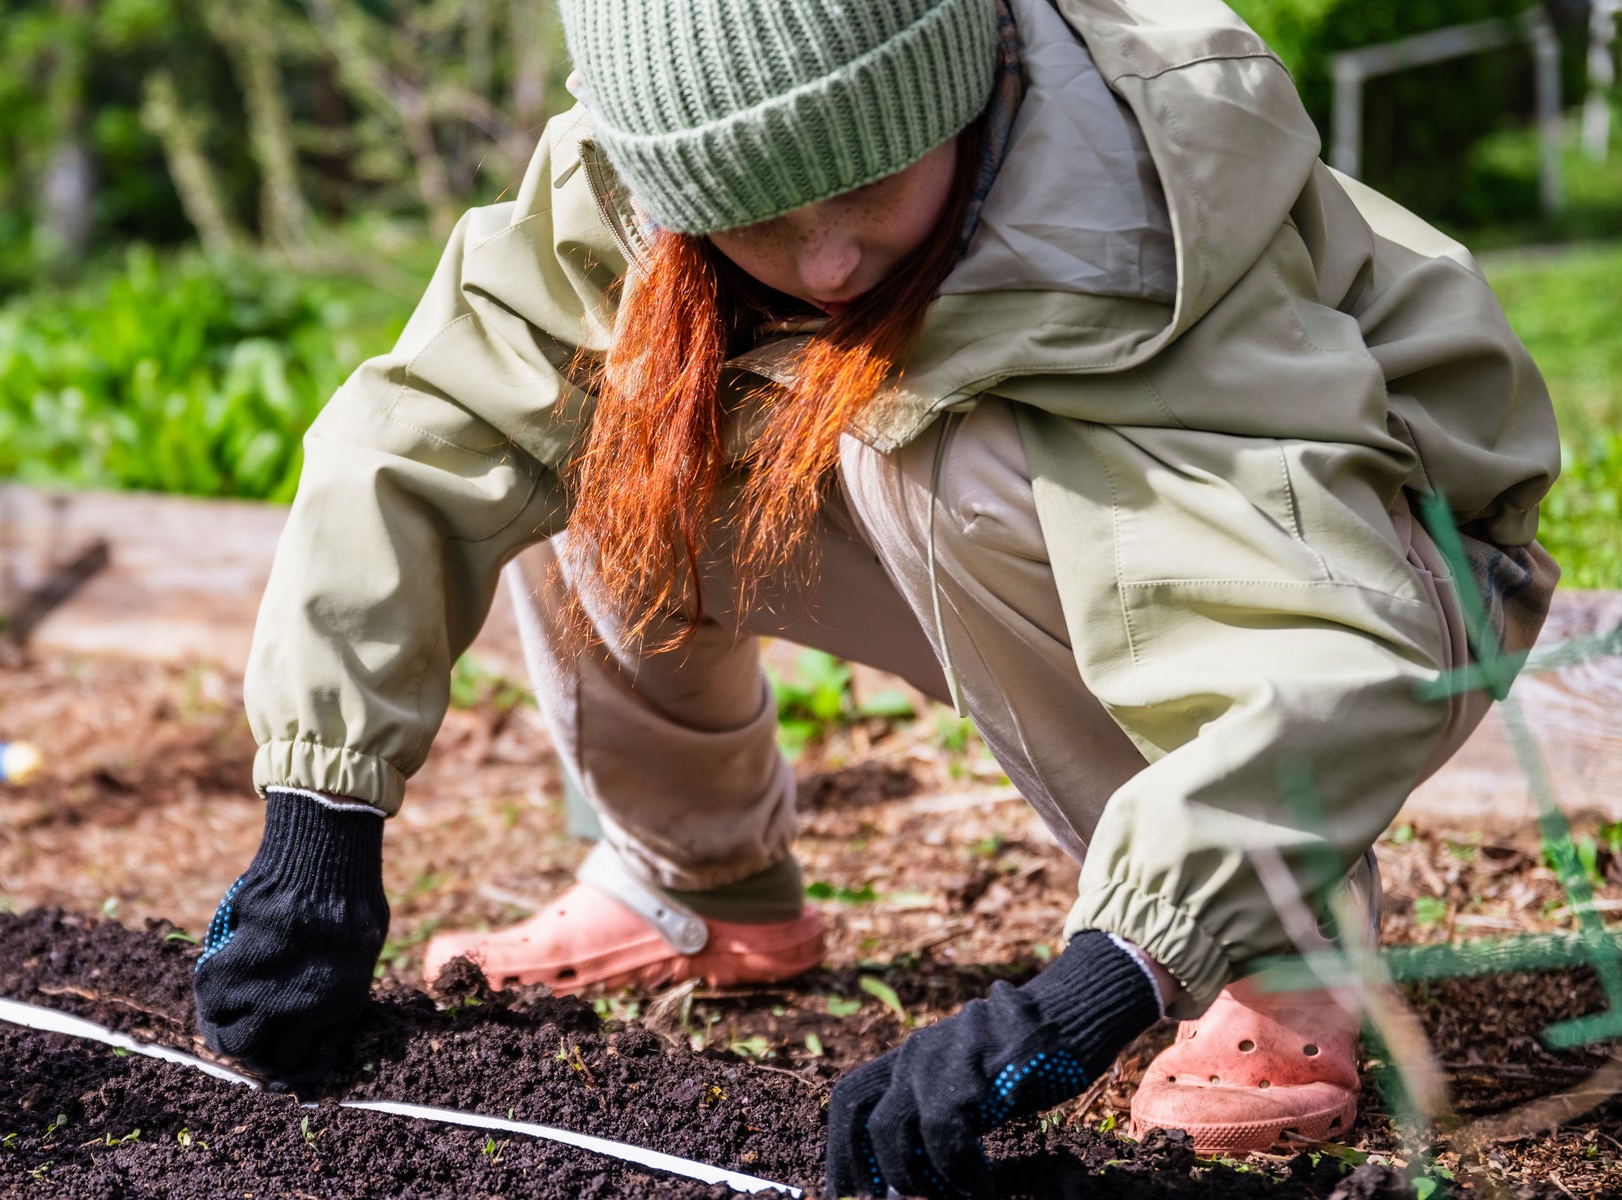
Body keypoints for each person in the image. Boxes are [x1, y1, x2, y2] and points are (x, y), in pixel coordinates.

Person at [188, 0, 1559, 1194]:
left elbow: (1336, 649)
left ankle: (1281, 952)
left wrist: (1108, 980)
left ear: (956, 85)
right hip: (1065, 533)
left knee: (940, 456)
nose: (831, 261)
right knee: (595, 410)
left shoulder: (1137, 222)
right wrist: (321, 815)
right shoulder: (645, 169)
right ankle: (698, 883)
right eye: (763, 217)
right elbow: (427, 431)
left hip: (1381, 574)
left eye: (869, 185)